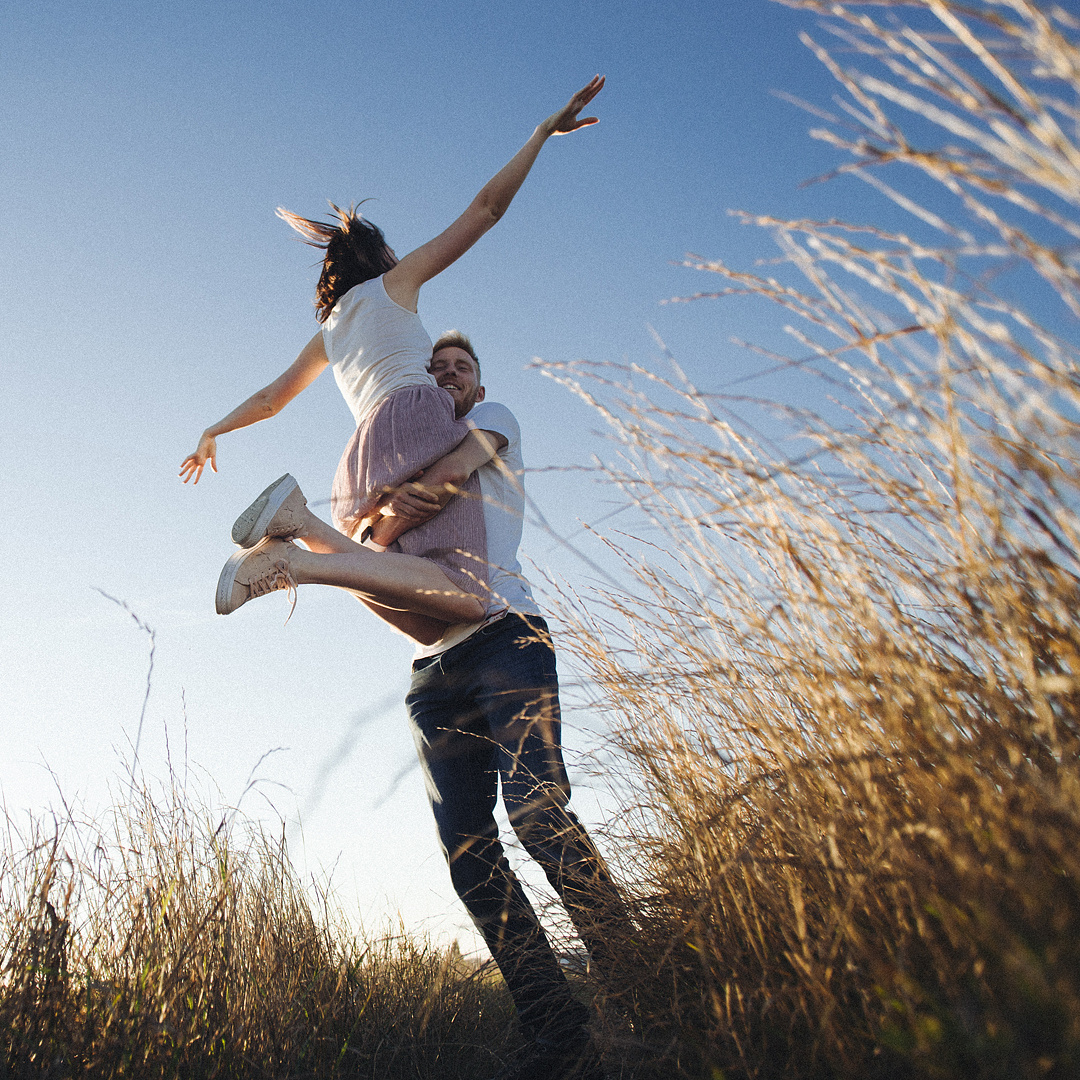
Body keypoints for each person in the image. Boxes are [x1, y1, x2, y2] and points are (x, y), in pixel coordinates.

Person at [179, 76, 604, 640]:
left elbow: (272, 399)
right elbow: (485, 210)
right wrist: (541, 133)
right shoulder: (394, 284)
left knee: (409, 600)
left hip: (361, 456)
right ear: (381, 256)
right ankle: (294, 564)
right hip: (413, 418)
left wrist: (215, 428)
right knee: (469, 587)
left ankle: (296, 523)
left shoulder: (330, 330)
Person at [391, 332, 632, 1080]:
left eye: (458, 368)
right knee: (469, 856)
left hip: (508, 638)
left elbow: (447, 481)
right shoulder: (394, 463)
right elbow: (381, 575)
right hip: (433, 673)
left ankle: (643, 985)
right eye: (435, 370)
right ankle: (558, 1031)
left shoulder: (493, 417)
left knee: (539, 816)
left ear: (475, 381)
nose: (448, 376)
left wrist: (383, 516)